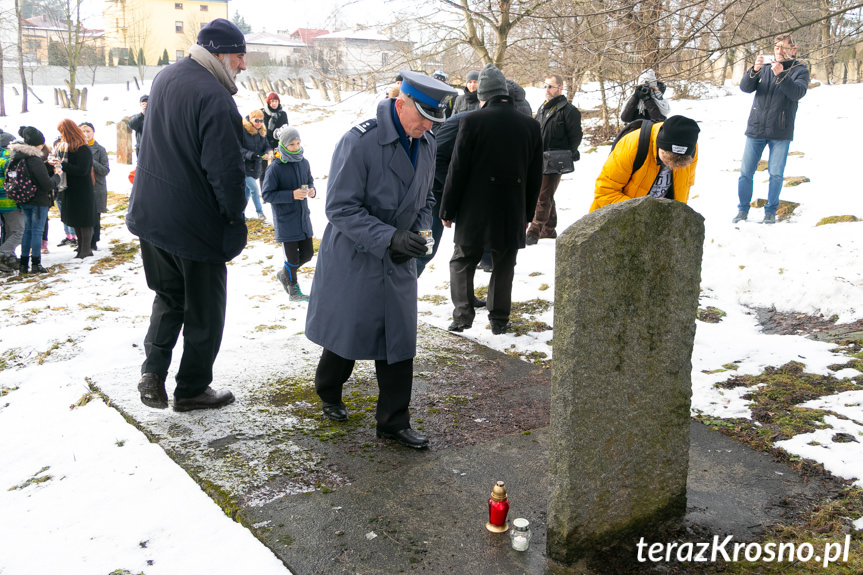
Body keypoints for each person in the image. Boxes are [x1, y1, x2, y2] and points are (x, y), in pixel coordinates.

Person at [304, 70, 456, 449]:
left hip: (399, 259)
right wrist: (390, 238)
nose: (426, 125)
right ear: (400, 103)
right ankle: (329, 390)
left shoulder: (427, 140)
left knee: (399, 340)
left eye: (434, 119)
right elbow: (340, 208)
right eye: (422, 117)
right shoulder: (360, 142)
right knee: (348, 337)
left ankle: (393, 420)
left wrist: (421, 233)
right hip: (357, 257)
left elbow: (427, 199)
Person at [125, 18, 248, 413]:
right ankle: (193, 388)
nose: (243, 65)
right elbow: (226, 173)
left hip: (151, 215)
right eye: (240, 56)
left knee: (168, 297)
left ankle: (152, 372)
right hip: (194, 226)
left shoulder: (166, 77)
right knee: (205, 312)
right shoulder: (214, 97)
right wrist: (233, 218)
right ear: (220, 54)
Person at [439, 64, 543, 336]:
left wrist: (448, 208)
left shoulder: (471, 121)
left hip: (474, 207)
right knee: (504, 264)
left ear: (483, 95)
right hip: (512, 208)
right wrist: (528, 213)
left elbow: (457, 169)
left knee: (462, 261)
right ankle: (499, 319)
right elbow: (536, 176)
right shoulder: (531, 125)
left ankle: (462, 316)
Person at [733, 34, 809, 225]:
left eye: (783, 47)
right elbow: (745, 88)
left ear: (793, 49)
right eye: (776, 47)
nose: (779, 51)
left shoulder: (800, 70)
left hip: (780, 130)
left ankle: (770, 212)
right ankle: (742, 210)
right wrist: (755, 69)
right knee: (745, 173)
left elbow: (797, 93)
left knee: (775, 174)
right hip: (756, 127)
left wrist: (781, 74)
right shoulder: (766, 66)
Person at [590, 115, 700, 212]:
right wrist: (643, 213)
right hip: (619, 221)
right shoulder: (632, 146)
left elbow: (687, 184)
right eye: (666, 161)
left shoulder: (691, 149)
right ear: (658, 145)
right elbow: (604, 191)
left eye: (679, 165)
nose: (671, 167)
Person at [262, 126, 316, 302]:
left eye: (298, 143)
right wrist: (291, 195)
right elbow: (267, 194)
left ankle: (284, 274)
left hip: (302, 217)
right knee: (292, 258)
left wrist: (312, 190)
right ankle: (294, 291)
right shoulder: (275, 167)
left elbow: (309, 181)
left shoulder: (304, 162)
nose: (296, 147)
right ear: (284, 145)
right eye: (291, 144)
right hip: (286, 220)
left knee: (307, 254)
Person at [526, 74, 582, 245]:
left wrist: (569, 153)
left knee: (542, 195)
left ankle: (533, 232)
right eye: (545, 86)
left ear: (560, 88)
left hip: (556, 159)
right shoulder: (543, 108)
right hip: (539, 157)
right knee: (546, 193)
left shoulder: (569, 110)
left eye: (550, 86)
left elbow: (576, 136)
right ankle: (549, 229)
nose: (547, 90)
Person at [8, 126, 59, 274]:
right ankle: (36, 264)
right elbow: (47, 184)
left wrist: (46, 166)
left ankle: (24, 264)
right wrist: (57, 175)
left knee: (28, 231)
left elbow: (31, 174)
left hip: (24, 200)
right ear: (38, 144)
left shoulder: (19, 156)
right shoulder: (34, 159)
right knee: (37, 231)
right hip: (38, 201)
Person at [53, 119, 95, 259]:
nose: (61, 136)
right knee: (76, 219)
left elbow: (82, 170)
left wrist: (62, 165)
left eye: (62, 133)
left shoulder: (82, 148)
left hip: (82, 189)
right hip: (70, 188)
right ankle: (81, 247)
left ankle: (86, 249)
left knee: (84, 220)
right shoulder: (66, 149)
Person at [78, 122, 110, 251]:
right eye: (83, 131)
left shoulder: (100, 149)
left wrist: (91, 160)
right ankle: (83, 242)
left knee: (95, 215)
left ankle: (93, 241)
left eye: (88, 131)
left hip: (96, 186)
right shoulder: (76, 149)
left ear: (93, 132)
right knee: (82, 215)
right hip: (81, 187)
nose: (86, 134)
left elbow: (105, 170)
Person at [0, 132, 23, 273]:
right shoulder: (7, 159)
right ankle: (3, 253)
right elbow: (13, 182)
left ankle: (9, 258)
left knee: (9, 230)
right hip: (8, 201)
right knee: (20, 231)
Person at [241, 108, 268, 220]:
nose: (259, 123)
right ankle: (260, 212)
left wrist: (267, 152)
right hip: (244, 167)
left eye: (261, 121)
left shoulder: (261, 132)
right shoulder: (243, 130)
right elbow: (238, 148)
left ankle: (241, 213)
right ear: (251, 119)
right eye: (256, 120)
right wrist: (251, 155)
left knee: (247, 193)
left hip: (256, 167)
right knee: (254, 189)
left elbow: (266, 145)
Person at [127, 94, 148, 159]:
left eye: (147, 103)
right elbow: (131, 124)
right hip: (141, 150)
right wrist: (142, 115)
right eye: (143, 104)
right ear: (140, 105)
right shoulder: (138, 118)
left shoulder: (156, 116)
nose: (145, 106)